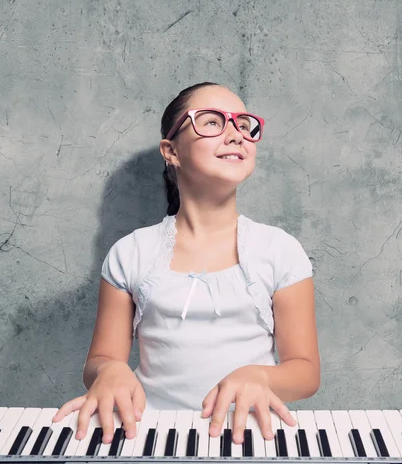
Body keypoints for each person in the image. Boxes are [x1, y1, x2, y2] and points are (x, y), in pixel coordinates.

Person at [52, 82, 320, 447]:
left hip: (252, 441)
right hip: (150, 439)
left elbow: (305, 371)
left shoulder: (280, 250)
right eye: (211, 122)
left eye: (243, 124)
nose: (235, 134)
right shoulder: (130, 252)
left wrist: (259, 376)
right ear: (171, 151)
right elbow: (99, 360)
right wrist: (111, 370)